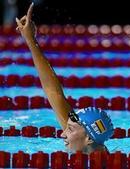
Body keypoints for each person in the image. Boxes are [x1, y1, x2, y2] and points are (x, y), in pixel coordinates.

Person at [16, 3, 114, 154]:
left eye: (70, 129)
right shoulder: (83, 138)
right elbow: (54, 93)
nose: (62, 133)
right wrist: (31, 40)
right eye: (67, 127)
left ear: (88, 138)